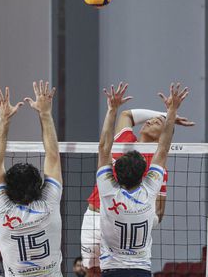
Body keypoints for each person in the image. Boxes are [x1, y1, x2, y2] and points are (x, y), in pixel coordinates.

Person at [81, 99, 194, 276]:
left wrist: (135, 217)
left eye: (157, 122)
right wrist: (167, 114)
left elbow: (159, 211)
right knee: (91, 272)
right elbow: (127, 115)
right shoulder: (125, 140)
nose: (150, 121)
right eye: (151, 119)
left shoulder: (157, 166)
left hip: (123, 225)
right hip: (94, 218)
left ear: (163, 134)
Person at [0, 81, 63, 276]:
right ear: (39, 186)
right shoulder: (49, 204)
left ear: (8, 188)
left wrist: (4, 119)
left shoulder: (4, 209)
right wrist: (45, 113)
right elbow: (53, 156)